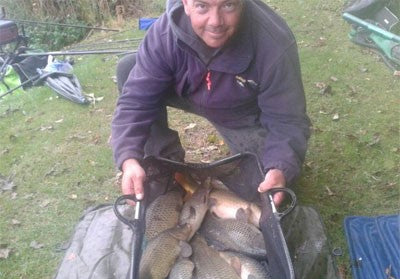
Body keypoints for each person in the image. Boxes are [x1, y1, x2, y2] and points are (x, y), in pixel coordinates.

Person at [111, 0, 311, 206]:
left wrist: (279, 168)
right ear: (186, 4)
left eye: (228, 5)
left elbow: (287, 120)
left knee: (265, 189)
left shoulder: (273, 44)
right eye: (202, 6)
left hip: (241, 113)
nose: (215, 22)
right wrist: (129, 159)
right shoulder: (164, 33)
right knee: (129, 68)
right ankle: (164, 167)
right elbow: (136, 100)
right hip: (188, 90)